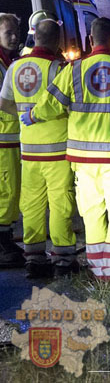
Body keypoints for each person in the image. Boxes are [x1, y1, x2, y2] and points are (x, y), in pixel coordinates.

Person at [26, 17, 110, 281]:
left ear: (90, 40)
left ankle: (97, 269)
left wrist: (32, 115)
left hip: (84, 159)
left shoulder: (73, 70)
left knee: (91, 213)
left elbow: (50, 104)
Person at [0, 19, 76, 278]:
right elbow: (68, 107)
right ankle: (64, 258)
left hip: (28, 150)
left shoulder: (15, 67)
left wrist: (24, 113)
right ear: (57, 41)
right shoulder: (59, 69)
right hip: (57, 151)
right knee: (60, 204)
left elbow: (5, 103)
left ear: (35, 37)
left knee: (30, 204)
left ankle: (34, 258)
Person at [0, 14, 22, 268]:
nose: (15, 37)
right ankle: (2, 242)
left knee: (9, 192)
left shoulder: (10, 61)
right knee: (5, 193)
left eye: (16, 32)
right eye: (9, 33)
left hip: (10, 139)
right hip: (3, 139)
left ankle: (4, 238)